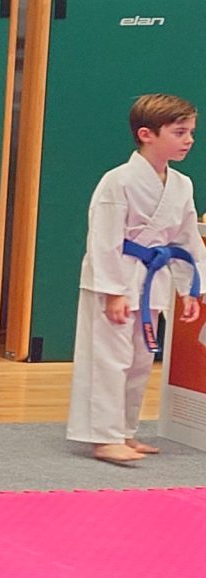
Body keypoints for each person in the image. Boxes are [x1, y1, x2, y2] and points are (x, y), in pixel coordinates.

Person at [67, 94, 205, 466]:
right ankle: (104, 437)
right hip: (116, 278)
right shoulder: (118, 181)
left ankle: (125, 430)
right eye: (180, 132)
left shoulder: (181, 185)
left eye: (191, 132)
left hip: (152, 280)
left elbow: (186, 239)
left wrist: (191, 289)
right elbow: (103, 238)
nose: (189, 140)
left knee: (141, 361)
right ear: (146, 134)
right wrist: (113, 291)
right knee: (110, 360)